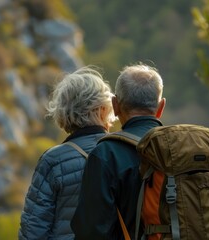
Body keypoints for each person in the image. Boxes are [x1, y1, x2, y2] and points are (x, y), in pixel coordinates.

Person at [18, 66, 115, 240]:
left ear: (64, 111)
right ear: (103, 109)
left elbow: (33, 230)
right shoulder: (124, 153)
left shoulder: (53, 161)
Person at [71, 64, 166, 239]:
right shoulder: (183, 150)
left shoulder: (106, 154)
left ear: (115, 105)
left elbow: (91, 232)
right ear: (161, 107)